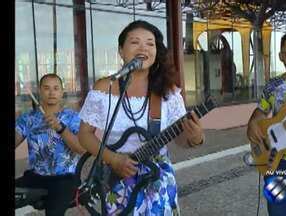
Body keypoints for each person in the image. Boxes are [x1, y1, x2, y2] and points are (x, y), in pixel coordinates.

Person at [78, 20, 205, 215]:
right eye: (135, 42)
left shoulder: (167, 92)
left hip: (157, 181)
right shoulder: (105, 88)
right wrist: (113, 159)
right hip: (116, 177)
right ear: (121, 50)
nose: (143, 48)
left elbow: (180, 139)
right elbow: (85, 135)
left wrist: (195, 138)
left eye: (150, 43)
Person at [247, 31, 286, 215]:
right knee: (277, 213)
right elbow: (260, 113)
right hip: (276, 163)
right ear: (281, 56)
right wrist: (253, 124)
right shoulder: (272, 85)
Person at [15, 74, 85, 216]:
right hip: (35, 176)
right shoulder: (28, 118)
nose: (51, 92)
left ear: (61, 92)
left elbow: (80, 148)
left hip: (65, 179)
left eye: (55, 88)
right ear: (40, 92)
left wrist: (60, 128)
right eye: (46, 88)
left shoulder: (73, 117)